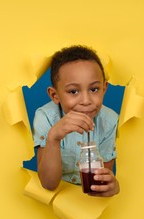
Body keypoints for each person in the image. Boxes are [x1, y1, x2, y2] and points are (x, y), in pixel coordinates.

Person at [32, 45, 119, 197]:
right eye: (73, 91)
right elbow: (48, 184)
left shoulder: (109, 120)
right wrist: (53, 138)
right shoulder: (45, 117)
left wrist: (111, 185)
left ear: (104, 88)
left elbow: (103, 178)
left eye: (94, 89)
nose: (86, 101)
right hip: (57, 198)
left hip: (86, 204)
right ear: (54, 95)